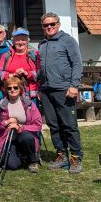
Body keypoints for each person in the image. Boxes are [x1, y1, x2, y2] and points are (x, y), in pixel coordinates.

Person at [38, 12, 84, 174]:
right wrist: (39, 88)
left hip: (64, 89)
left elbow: (77, 64)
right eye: (46, 25)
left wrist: (74, 85)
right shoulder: (42, 44)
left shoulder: (68, 41)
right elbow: (41, 69)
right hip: (47, 90)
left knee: (69, 125)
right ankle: (61, 155)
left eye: (52, 24)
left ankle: (76, 158)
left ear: (58, 24)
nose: (49, 27)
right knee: (53, 125)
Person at [0, 77, 42, 172]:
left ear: (20, 88)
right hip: (7, 137)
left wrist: (20, 127)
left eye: (15, 87)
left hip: (24, 135)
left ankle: (33, 161)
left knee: (26, 137)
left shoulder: (29, 104)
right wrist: (6, 122)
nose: (12, 90)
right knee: (12, 165)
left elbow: (38, 125)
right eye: (9, 88)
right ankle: (20, 156)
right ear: (5, 90)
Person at [0, 28, 39, 102]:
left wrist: (26, 73)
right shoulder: (6, 56)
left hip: (29, 94)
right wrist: (11, 75)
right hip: (10, 93)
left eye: (23, 39)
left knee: (30, 113)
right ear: (13, 41)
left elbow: (39, 74)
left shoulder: (34, 55)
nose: (20, 42)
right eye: (17, 40)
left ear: (28, 41)